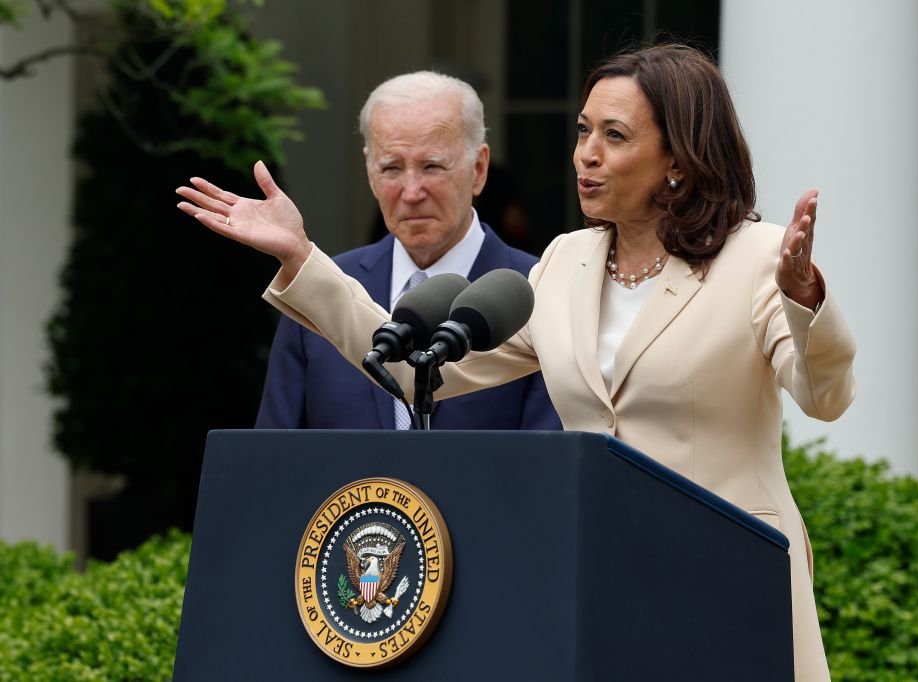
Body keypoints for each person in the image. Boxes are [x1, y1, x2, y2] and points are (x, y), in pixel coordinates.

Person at [177, 45, 855, 680]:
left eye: (614, 137)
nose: (586, 155)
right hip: (604, 583)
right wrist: (303, 260)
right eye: (583, 131)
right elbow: (419, 374)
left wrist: (805, 301)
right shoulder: (566, 262)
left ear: (676, 159)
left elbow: (824, 395)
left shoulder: (758, 259)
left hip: (726, 575)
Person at [250, 71, 560, 430]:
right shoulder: (316, 288)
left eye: (432, 166)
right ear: (369, 172)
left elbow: (548, 468)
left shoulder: (539, 292)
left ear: (478, 169)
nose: (411, 192)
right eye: (391, 168)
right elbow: (275, 458)